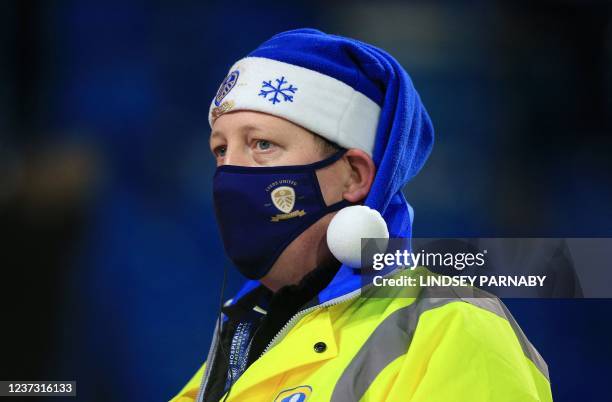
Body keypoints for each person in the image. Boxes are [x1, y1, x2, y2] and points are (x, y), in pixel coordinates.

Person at [171, 29, 552, 402]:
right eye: (220, 150)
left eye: (262, 144)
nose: (229, 172)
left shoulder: (451, 329)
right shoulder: (232, 349)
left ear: (354, 175)